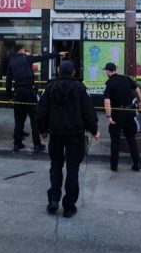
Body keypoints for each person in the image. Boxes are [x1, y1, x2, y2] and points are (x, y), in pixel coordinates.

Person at [36, 60, 99, 218]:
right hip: (75, 135)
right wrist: (94, 130)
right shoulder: (79, 88)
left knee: (56, 166)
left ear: (58, 71)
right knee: (73, 169)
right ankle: (69, 206)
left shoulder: (49, 88)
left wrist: (42, 131)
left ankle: (53, 200)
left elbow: (41, 111)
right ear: (73, 72)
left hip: (55, 134)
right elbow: (88, 111)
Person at [5, 44, 66, 153]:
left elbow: (8, 81)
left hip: (18, 93)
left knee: (19, 121)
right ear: (22, 50)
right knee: (34, 119)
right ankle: (37, 145)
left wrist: (9, 96)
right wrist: (57, 54)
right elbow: (42, 57)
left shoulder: (11, 62)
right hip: (29, 92)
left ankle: (17, 144)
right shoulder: (27, 58)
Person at [103, 62, 141, 172]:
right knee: (131, 139)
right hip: (130, 111)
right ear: (115, 69)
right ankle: (137, 163)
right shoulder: (127, 79)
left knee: (115, 140)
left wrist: (108, 116)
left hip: (117, 113)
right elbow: (137, 89)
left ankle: (114, 166)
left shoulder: (109, 83)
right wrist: (140, 101)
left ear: (108, 71)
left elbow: (107, 101)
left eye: (106, 71)